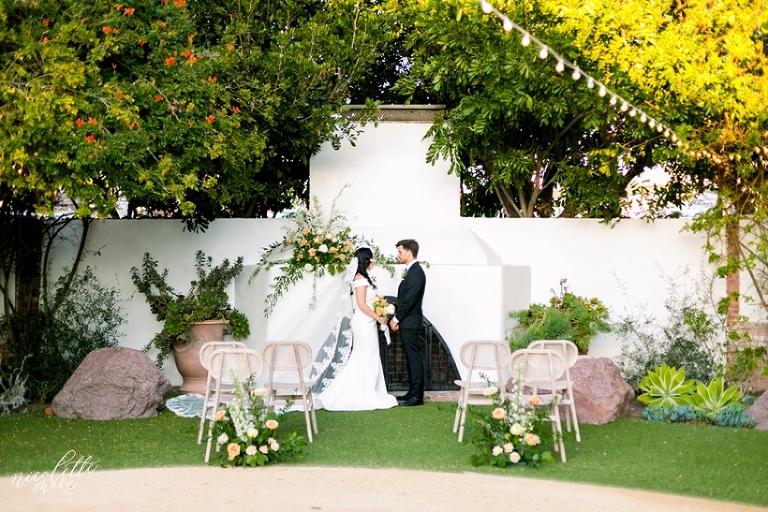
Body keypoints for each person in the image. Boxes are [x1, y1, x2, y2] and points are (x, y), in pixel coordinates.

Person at [314, 248, 398, 411]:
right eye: (371, 258)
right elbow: (361, 304)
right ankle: (363, 393)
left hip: (367, 322)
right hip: (364, 322)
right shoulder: (360, 280)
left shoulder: (363, 278)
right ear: (365, 260)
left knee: (367, 354)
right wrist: (378, 317)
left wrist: (379, 310)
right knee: (366, 355)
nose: (374, 261)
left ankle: (369, 390)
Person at [389, 239, 426, 407]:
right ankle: (412, 392)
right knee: (411, 359)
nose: (398, 255)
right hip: (408, 322)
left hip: (411, 322)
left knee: (414, 359)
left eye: (400, 251)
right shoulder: (411, 272)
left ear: (409, 252)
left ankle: (417, 396)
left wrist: (396, 318)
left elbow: (410, 299)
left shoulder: (416, 272)